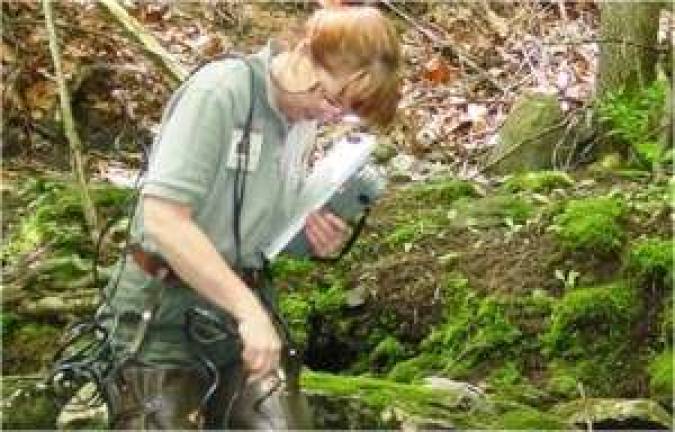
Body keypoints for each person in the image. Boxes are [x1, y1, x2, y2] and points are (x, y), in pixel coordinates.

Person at [103, 5, 401, 429]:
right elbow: (164, 219)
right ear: (304, 52)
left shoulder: (302, 119)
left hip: (238, 319)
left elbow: (254, 228)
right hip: (161, 319)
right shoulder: (221, 93)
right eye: (331, 98)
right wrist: (249, 313)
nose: (328, 114)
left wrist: (307, 232)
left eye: (344, 112)